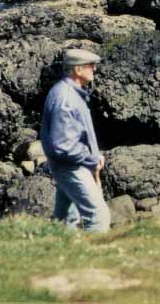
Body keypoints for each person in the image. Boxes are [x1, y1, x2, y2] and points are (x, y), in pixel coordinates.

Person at [40, 48, 110, 233]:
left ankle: (56, 256)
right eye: (90, 66)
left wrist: (93, 155)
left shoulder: (68, 92)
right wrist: (91, 158)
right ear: (77, 70)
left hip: (68, 164)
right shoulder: (66, 98)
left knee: (66, 218)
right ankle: (96, 260)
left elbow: (75, 135)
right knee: (98, 216)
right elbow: (63, 145)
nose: (94, 69)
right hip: (70, 166)